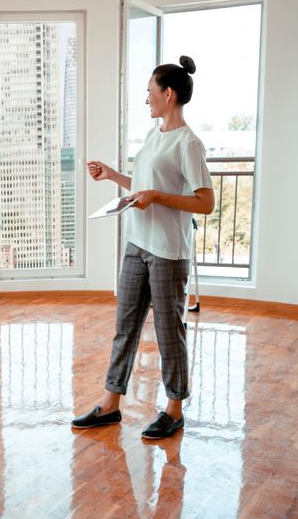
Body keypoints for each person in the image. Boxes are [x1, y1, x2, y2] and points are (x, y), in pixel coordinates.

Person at [72, 56, 214, 439]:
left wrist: (158, 197)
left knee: (170, 332)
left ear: (168, 94)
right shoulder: (154, 136)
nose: (146, 99)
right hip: (137, 242)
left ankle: (174, 408)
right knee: (125, 326)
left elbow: (205, 203)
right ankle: (110, 403)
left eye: (150, 92)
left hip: (168, 251)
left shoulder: (189, 144)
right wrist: (113, 176)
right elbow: (144, 185)